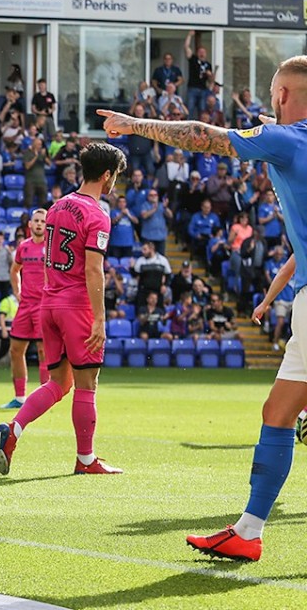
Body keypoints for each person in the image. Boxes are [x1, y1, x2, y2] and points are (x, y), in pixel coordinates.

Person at [99, 55, 307, 562]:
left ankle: (250, 531)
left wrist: (134, 124)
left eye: (273, 95)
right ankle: (248, 531)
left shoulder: (285, 139)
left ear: (282, 95)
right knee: (280, 412)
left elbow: (202, 136)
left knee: (281, 415)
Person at [0, 142, 127, 477]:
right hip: (76, 307)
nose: (115, 182)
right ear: (106, 175)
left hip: (48, 303)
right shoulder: (98, 214)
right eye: (116, 176)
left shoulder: (56, 207)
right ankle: (86, 460)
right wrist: (99, 318)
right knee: (86, 384)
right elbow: (93, 270)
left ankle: (13, 431)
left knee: (58, 383)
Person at [1, 208, 49, 409]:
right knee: (15, 350)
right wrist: (17, 292)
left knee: (43, 351)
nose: (39, 224)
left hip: (43, 305)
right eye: (36, 220)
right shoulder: (23, 247)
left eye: (43, 221)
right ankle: (20, 398)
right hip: (26, 305)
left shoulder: (52, 248)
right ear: (30, 224)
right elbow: (15, 270)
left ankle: (46, 397)